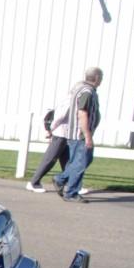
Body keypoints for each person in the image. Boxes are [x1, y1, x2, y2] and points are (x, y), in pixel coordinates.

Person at [53, 67, 103, 203]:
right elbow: (82, 113)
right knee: (81, 162)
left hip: (77, 133)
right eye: (101, 77)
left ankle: (61, 179)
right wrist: (87, 135)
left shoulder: (81, 89)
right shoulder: (86, 92)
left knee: (81, 161)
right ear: (97, 77)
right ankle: (71, 192)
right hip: (79, 134)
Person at [26, 108, 70, 193]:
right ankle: (34, 183)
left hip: (67, 134)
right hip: (60, 133)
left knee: (67, 160)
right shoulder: (69, 101)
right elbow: (59, 117)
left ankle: (74, 184)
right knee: (50, 159)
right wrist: (50, 130)